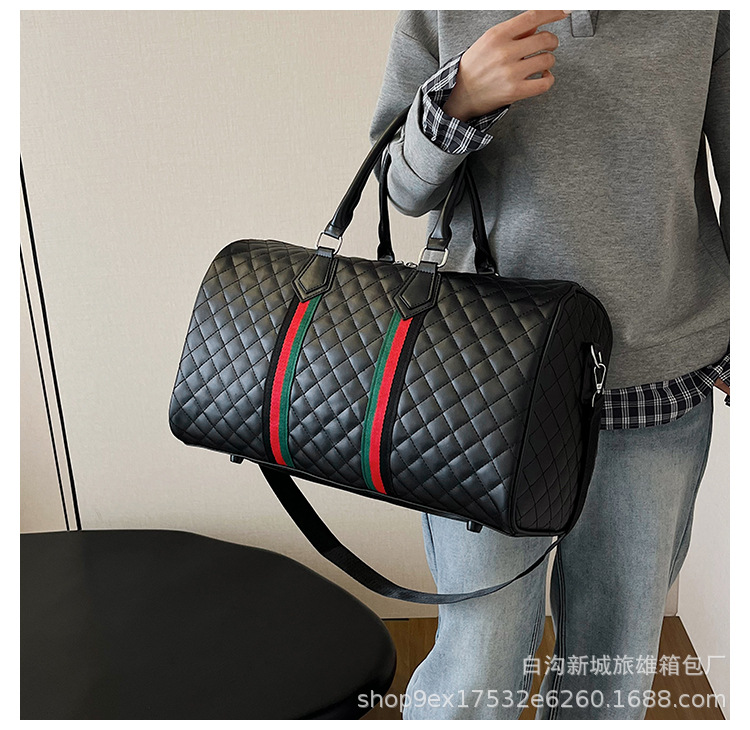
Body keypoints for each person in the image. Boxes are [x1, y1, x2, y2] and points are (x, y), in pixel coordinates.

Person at [368, 10, 729, 720]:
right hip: (482, 382)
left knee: (613, 675)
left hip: (654, 382)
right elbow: (401, 188)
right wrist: (458, 101)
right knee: (476, 670)